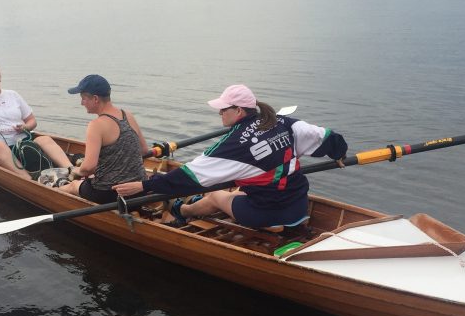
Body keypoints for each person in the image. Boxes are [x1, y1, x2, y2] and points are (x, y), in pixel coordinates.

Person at [112, 84, 347, 228]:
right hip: (298, 204)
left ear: (239, 111)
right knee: (243, 185)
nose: (220, 113)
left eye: (223, 109)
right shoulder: (284, 122)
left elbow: (187, 177)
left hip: (265, 214)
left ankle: (181, 212)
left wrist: (144, 186)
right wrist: (339, 153)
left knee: (215, 194)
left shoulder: (233, 146)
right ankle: (212, 203)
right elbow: (326, 137)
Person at [0, 63, 72, 178]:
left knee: (44, 139)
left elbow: (32, 121)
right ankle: (29, 180)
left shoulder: (13, 95)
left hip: (21, 143)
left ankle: (71, 170)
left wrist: (25, 127)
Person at [57, 74, 149, 204]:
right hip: (140, 188)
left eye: (83, 98)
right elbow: (144, 150)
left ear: (95, 99)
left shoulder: (96, 125)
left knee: (73, 186)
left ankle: (48, 192)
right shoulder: (127, 115)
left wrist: (77, 170)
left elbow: (88, 167)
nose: (81, 103)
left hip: (110, 193)